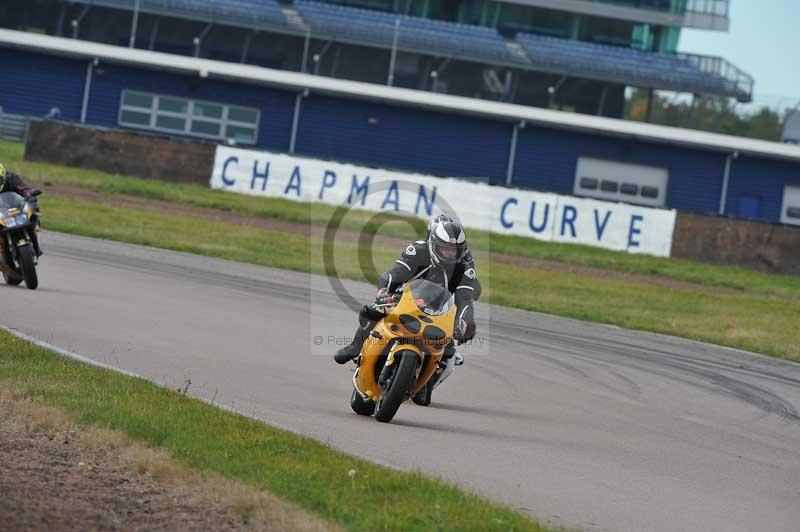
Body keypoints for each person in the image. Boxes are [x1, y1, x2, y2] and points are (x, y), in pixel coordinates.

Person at [334, 214, 480, 380]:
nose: (449, 255)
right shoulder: (418, 251)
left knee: (469, 328)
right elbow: (393, 275)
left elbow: (466, 299)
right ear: (433, 243)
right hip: (407, 297)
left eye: (454, 251)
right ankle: (356, 346)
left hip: (441, 306)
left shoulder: (465, 268)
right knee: (371, 311)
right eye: (445, 249)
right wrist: (384, 293)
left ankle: (439, 364)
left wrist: (462, 323)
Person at [0, 163, 42, 256]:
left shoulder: (12, 178)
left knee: (34, 212)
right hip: (1, 213)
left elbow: (26, 190)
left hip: (16, 208)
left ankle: (35, 244)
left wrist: (30, 196)